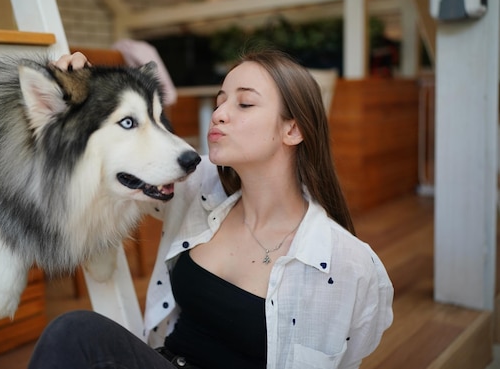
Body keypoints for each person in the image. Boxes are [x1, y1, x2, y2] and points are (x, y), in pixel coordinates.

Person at [30, 48, 393, 369]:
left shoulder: (345, 264)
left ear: (293, 130)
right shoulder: (198, 186)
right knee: (74, 332)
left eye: (244, 103)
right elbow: (113, 158)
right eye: (220, 101)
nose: (220, 114)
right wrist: (85, 96)